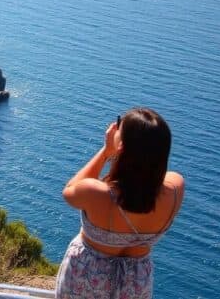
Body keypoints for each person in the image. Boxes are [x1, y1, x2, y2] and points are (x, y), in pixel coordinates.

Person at [57, 108, 185, 298]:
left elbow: (70, 191)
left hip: (88, 277)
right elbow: (150, 178)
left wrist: (106, 152)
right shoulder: (176, 188)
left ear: (122, 146)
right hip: (136, 282)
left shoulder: (97, 193)